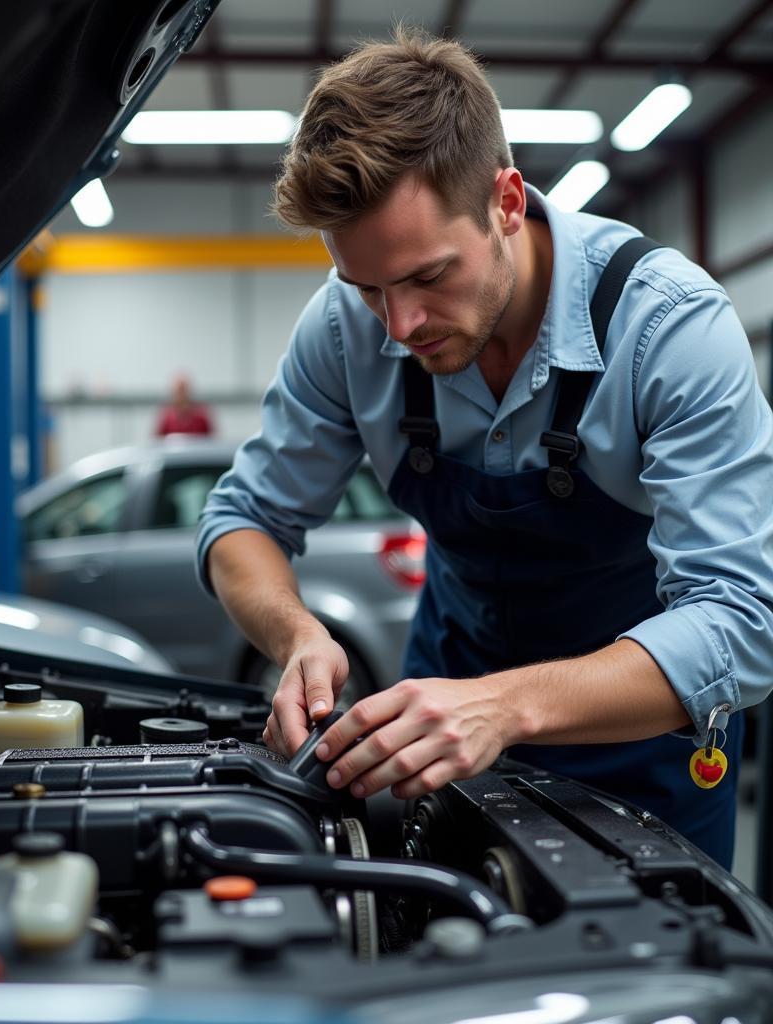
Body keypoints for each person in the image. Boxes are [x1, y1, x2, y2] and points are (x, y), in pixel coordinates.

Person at [194, 27, 773, 868]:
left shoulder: (669, 328)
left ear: (506, 202)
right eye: (368, 288)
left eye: (428, 277)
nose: (399, 326)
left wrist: (502, 707)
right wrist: (297, 637)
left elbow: (742, 623)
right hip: (442, 743)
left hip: (646, 755)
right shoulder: (343, 326)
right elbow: (241, 520)